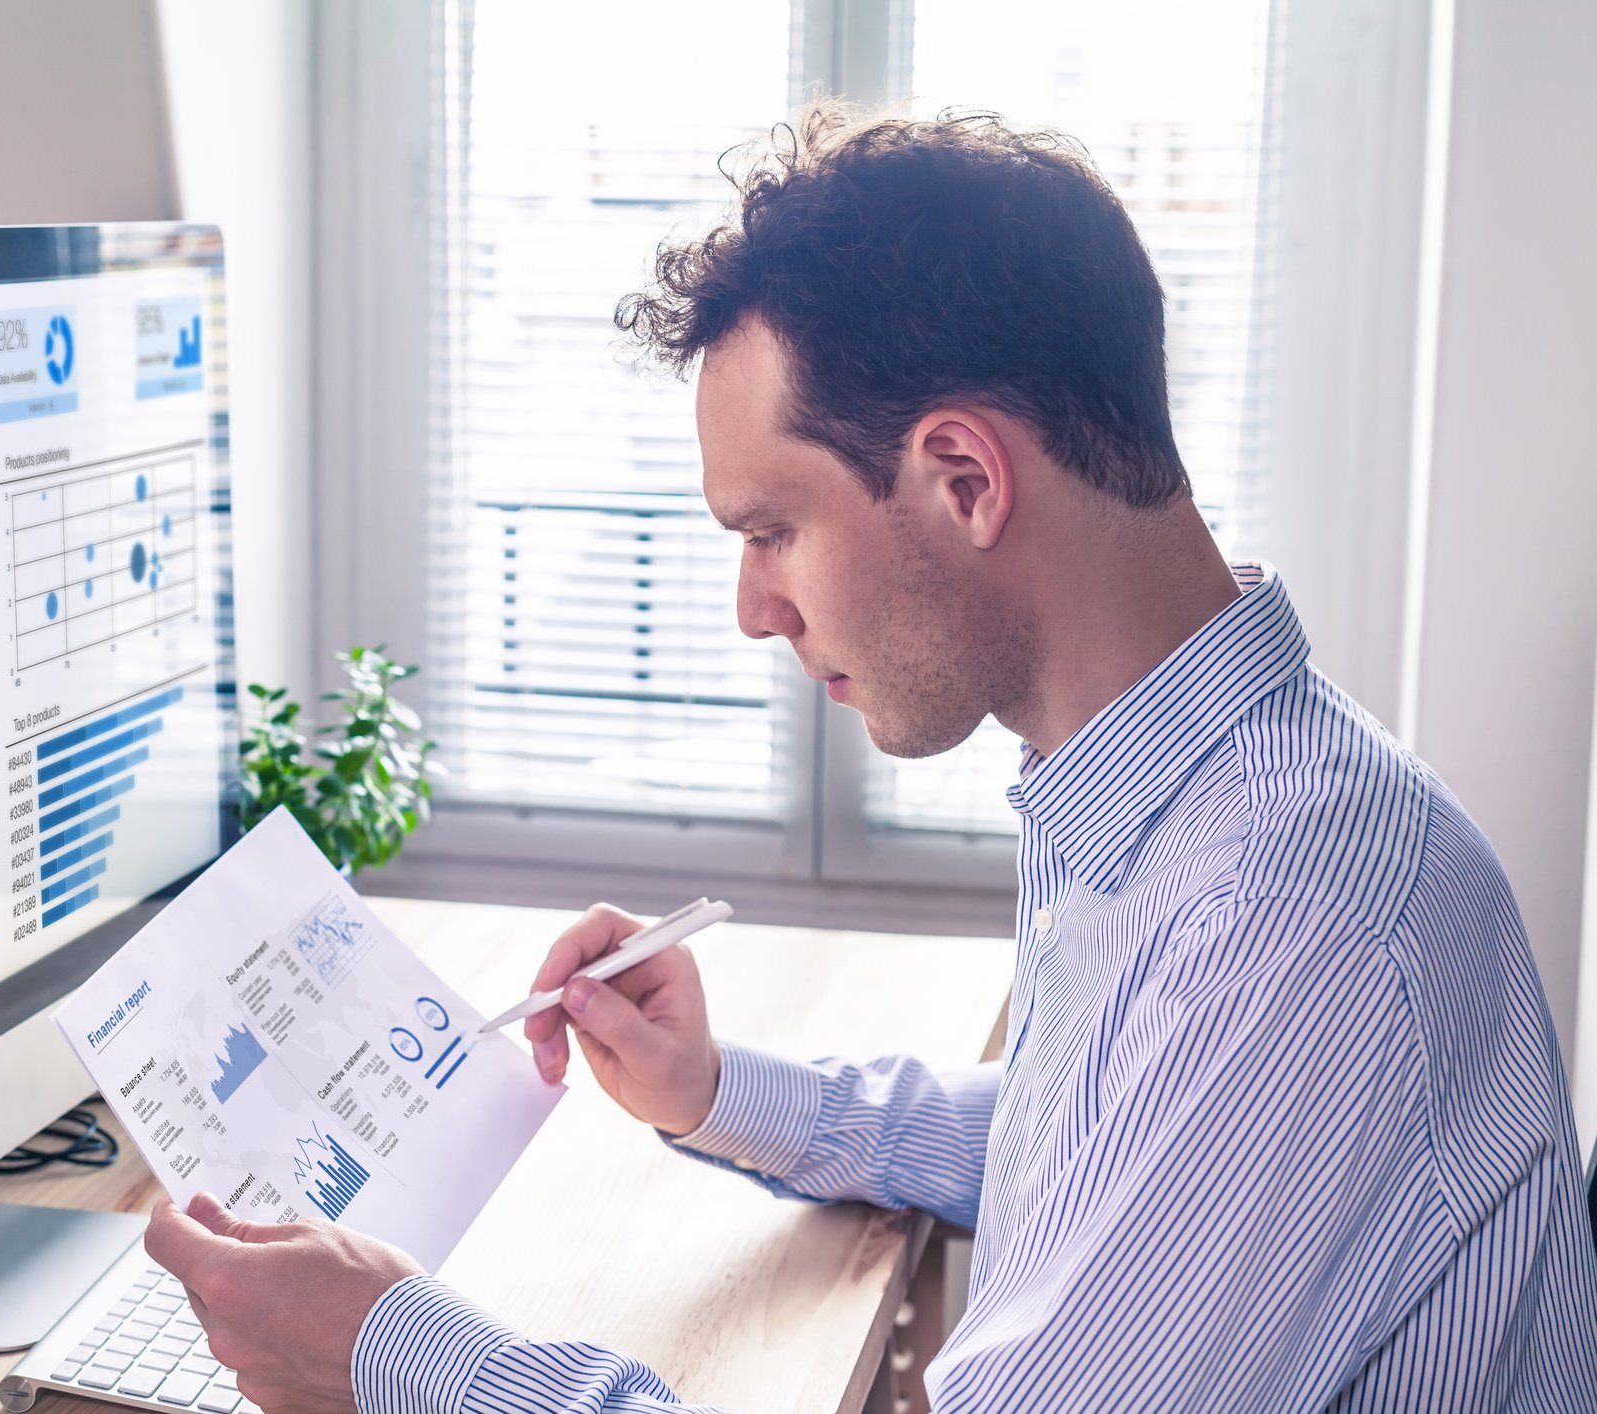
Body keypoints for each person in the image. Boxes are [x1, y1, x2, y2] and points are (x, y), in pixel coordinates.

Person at [143, 105, 1597, 1412]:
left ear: (963, 480)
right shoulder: (1204, 790)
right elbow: (1076, 1149)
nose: (750, 607)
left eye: (772, 529)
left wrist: (401, 1351)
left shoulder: (1293, 924)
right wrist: (715, 1086)